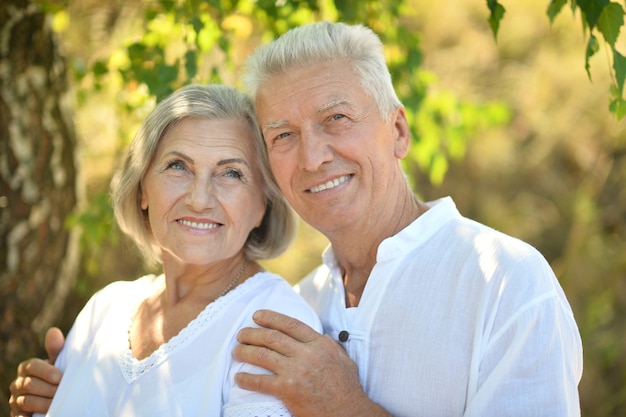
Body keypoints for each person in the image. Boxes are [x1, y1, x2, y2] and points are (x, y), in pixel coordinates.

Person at [10, 22, 583, 417]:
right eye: (283, 135)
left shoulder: (504, 281)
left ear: (399, 131)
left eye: (336, 118)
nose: (312, 157)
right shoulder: (300, 309)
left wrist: (347, 407)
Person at [9, 83, 322, 416]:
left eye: (231, 173)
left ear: (264, 204)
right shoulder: (105, 308)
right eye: (178, 166)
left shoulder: (274, 325)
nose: (199, 199)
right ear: (143, 188)